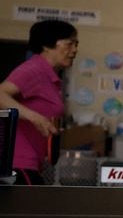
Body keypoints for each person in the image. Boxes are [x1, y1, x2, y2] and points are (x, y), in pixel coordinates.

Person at [0, 20, 79, 184]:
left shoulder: (50, 78)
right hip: (17, 164)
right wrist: (34, 117)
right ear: (47, 45)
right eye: (69, 44)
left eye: (76, 44)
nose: (74, 50)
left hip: (30, 164)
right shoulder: (34, 69)